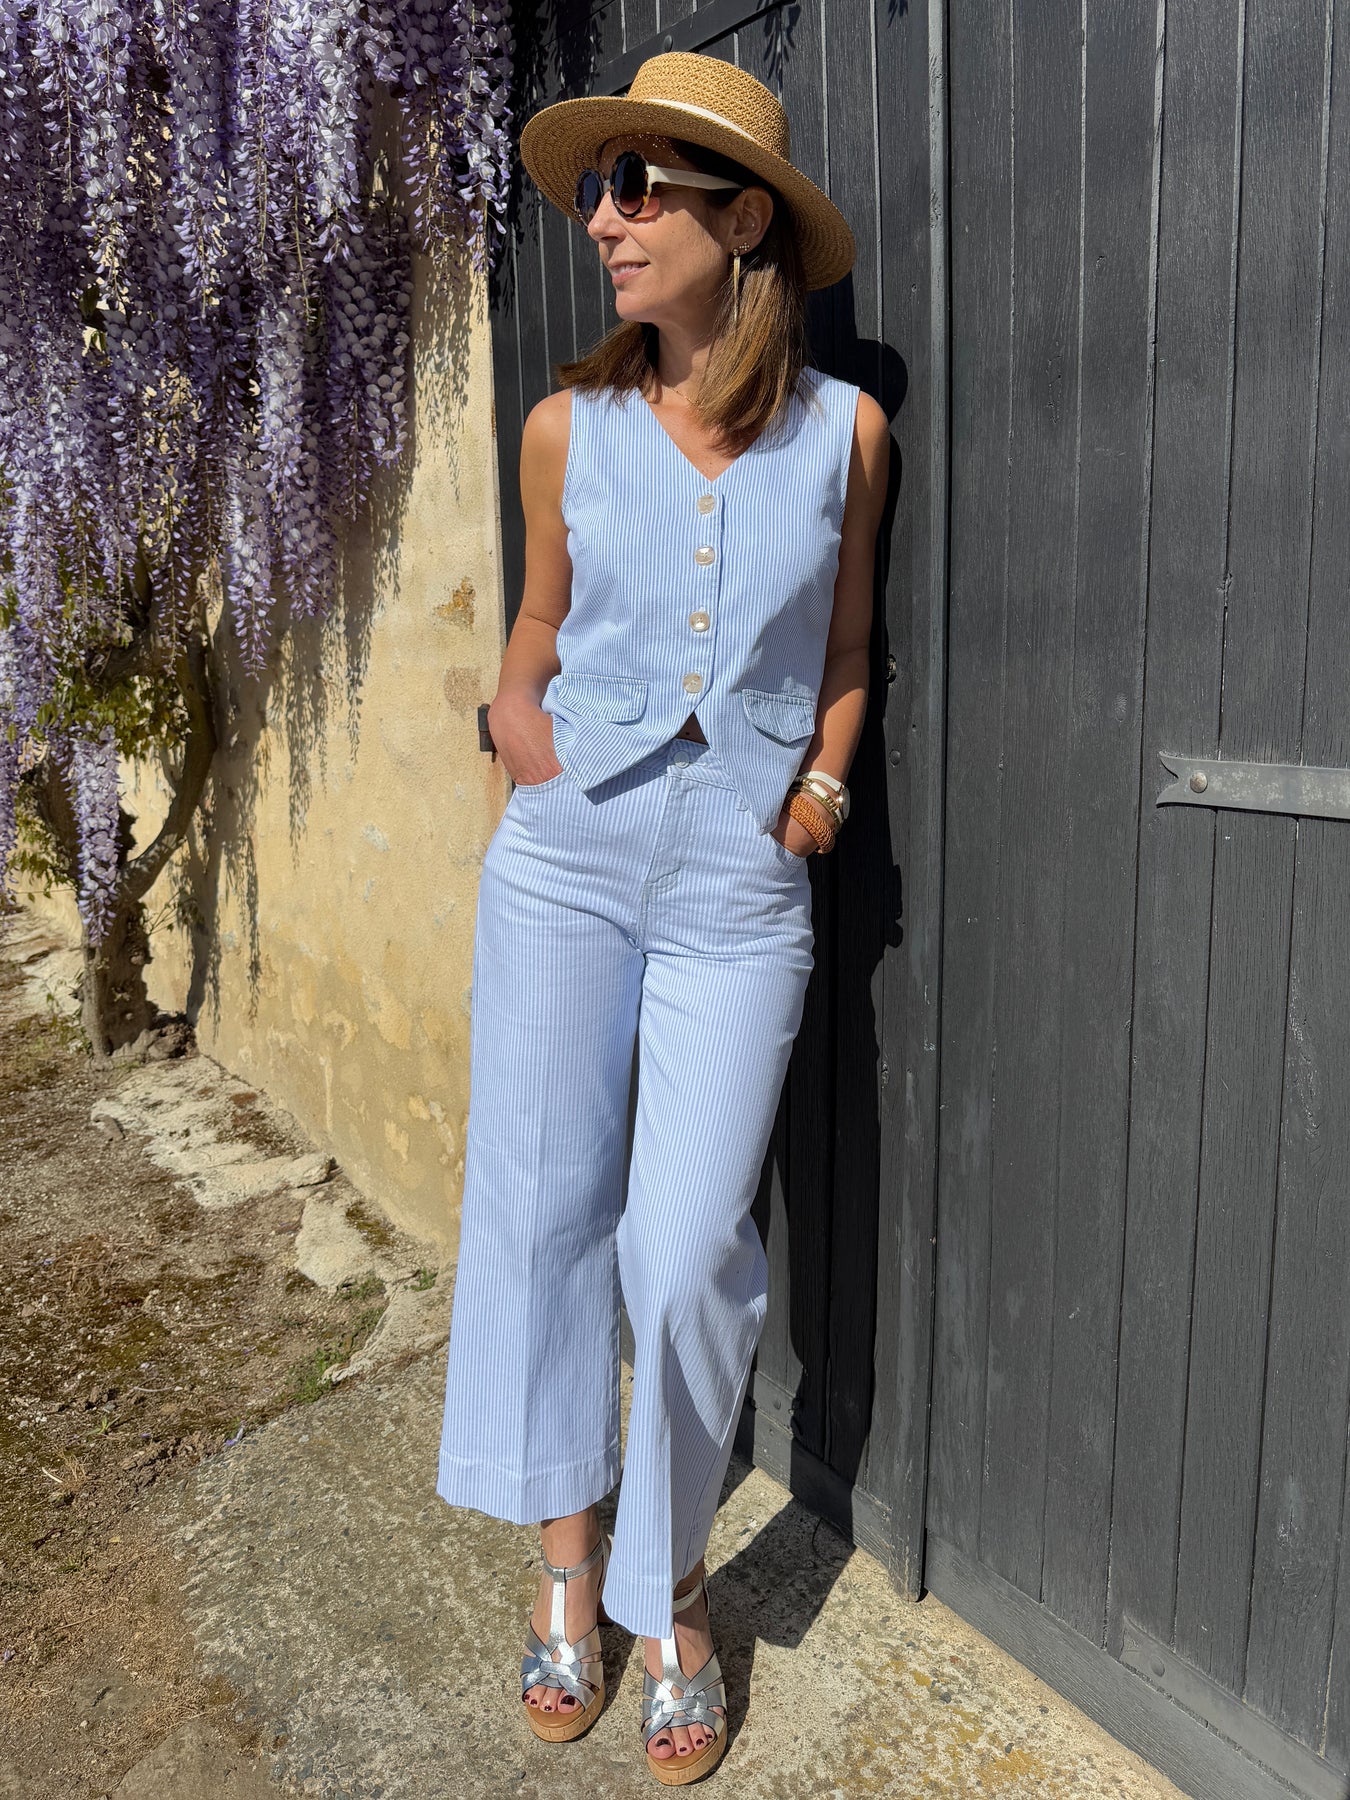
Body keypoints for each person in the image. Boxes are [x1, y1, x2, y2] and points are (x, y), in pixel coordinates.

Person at [434, 50, 890, 1786]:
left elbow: (844, 648)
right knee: (542, 1207)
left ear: (741, 220)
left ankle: (669, 1579)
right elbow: (537, 626)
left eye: (637, 188)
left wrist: (817, 794)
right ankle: (572, 1575)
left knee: (687, 1247)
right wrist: (519, 730)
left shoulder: (847, 435)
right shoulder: (567, 426)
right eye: (594, 190)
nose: (603, 221)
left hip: (737, 882)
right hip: (568, 855)